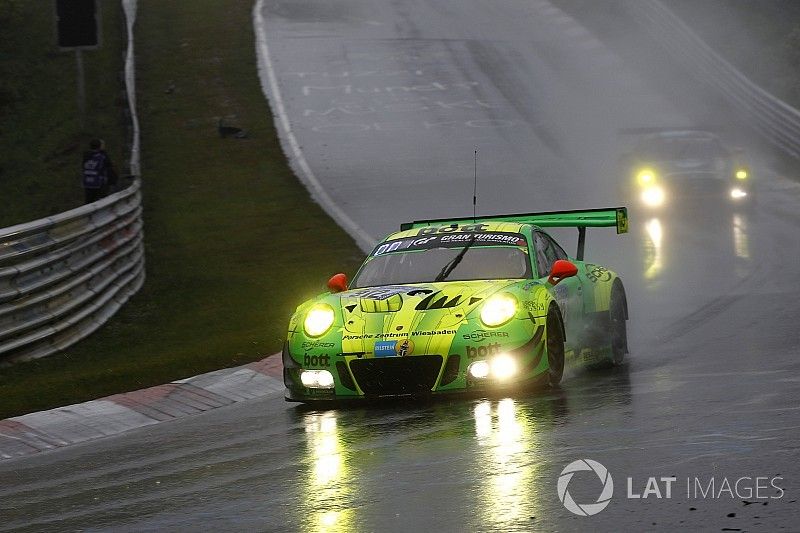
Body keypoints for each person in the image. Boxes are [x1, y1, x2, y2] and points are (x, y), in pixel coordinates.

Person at [82, 139, 118, 203]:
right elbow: (109, 165)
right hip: (99, 183)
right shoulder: (102, 157)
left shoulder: (86, 156)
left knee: (88, 201)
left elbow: (83, 167)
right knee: (101, 201)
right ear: (100, 147)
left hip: (87, 182)